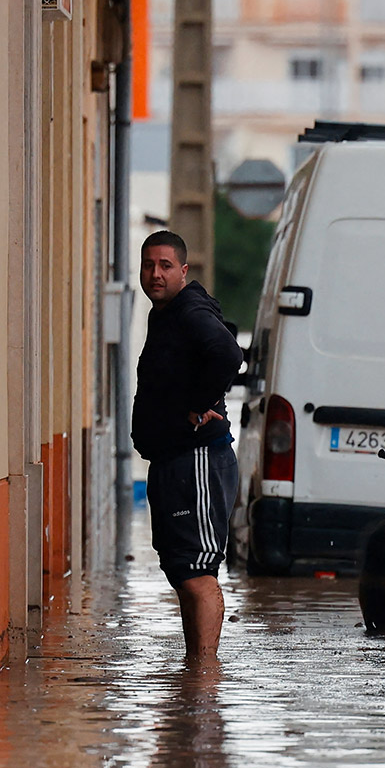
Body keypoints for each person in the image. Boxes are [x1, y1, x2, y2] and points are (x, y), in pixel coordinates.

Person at [132, 229, 241, 659]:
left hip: (197, 459)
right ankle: (194, 670)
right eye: (148, 265)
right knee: (183, 569)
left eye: (164, 265)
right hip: (173, 460)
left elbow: (228, 353)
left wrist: (200, 403)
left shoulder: (189, 310)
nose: (155, 274)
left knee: (199, 573)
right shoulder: (167, 313)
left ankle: (206, 675)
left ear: (183, 270)